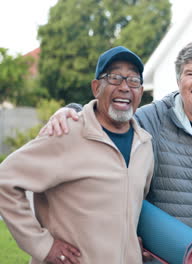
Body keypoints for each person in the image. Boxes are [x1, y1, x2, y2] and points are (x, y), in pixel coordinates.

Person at [39, 40, 192, 264]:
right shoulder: (151, 118)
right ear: (179, 79)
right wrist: (71, 111)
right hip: (158, 255)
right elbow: (108, 120)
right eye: (190, 73)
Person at [0, 46, 154, 263]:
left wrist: (131, 241)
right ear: (96, 88)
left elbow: (131, 205)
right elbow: (5, 179)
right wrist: (43, 246)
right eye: (114, 78)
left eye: (133, 80)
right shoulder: (67, 133)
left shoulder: (145, 145)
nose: (124, 87)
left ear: (140, 90)